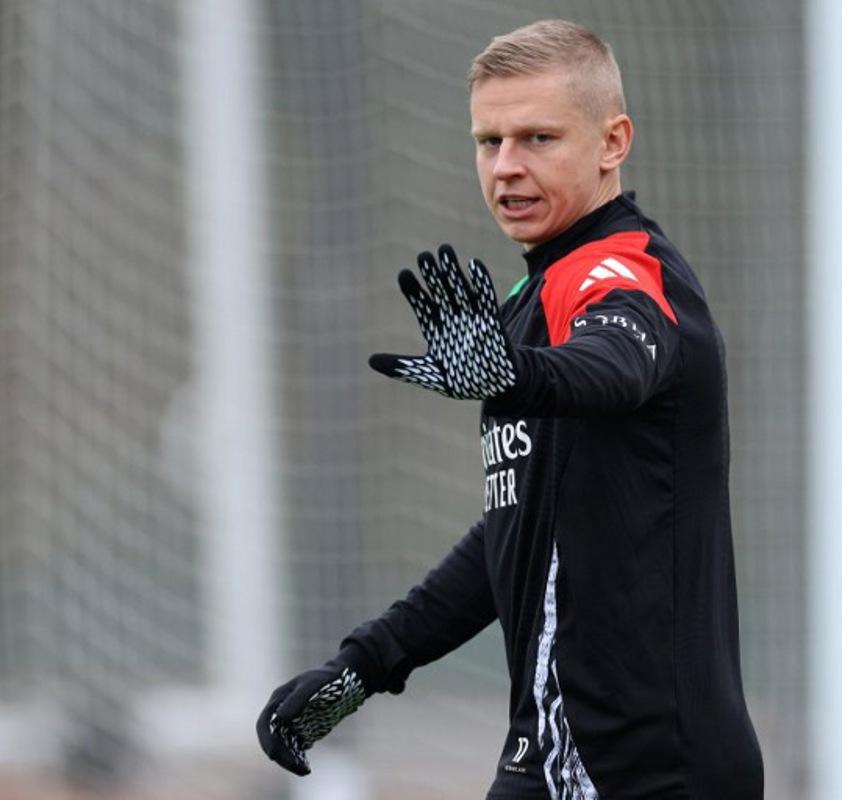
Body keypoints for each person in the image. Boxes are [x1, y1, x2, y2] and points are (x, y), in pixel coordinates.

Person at [257, 19, 764, 800]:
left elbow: (616, 364)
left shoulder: (623, 273)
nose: (506, 168)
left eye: (537, 138)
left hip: (646, 770)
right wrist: (367, 663)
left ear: (612, 142)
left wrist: (516, 374)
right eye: (488, 141)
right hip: (557, 759)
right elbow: (516, 533)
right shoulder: (533, 299)